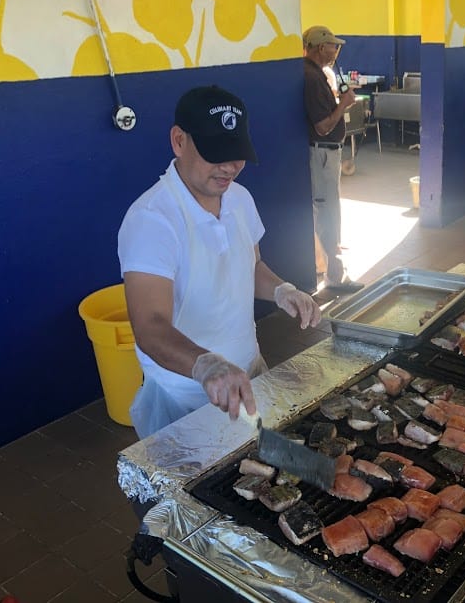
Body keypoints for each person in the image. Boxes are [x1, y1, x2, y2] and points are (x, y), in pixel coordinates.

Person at [118, 85, 322, 439]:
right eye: (216, 154)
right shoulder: (151, 219)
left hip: (249, 371)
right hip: (184, 394)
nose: (230, 167)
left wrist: (282, 290)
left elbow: (250, 266)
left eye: (237, 153)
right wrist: (206, 365)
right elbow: (149, 326)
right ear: (178, 141)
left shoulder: (239, 198)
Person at [302, 25, 362, 292]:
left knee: (325, 210)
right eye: (332, 46)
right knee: (327, 213)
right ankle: (334, 278)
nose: (336, 51)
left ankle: (324, 266)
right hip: (323, 152)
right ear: (319, 46)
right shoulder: (312, 78)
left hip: (325, 153)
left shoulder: (314, 74)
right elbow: (323, 126)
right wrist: (344, 104)